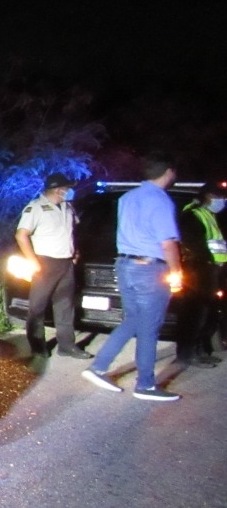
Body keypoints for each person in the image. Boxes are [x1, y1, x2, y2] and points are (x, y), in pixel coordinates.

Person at [81, 154, 184, 402]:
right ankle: (146, 385)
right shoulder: (160, 200)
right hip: (149, 269)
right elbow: (167, 242)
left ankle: (98, 367)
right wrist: (177, 272)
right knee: (149, 327)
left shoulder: (127, 197)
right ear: (169, 172)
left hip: (125, 264)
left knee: (134, 320)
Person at [14, 172, 90, 359]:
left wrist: (75, 251)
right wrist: (33, 261)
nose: (69, 191)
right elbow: (21, 235)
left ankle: (67, 346)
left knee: (65, 306)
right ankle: (38, 347)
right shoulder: (36, 208)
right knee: (38, 307)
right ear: (58, 190)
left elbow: (73, 232)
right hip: (45, 263)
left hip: (66, 263)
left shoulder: (67, 208)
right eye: (67, 188)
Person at [174, 181, 227, 367]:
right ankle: (188, 353)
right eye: (221, 197)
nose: (223, 201)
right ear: (209, 196)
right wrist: (210, 261)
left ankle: (201, 350)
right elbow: (194, 244)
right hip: (198, 269)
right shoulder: (192, 214)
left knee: (208, 313)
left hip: (211, 269)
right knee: (195, 313)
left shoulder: (208, 214)